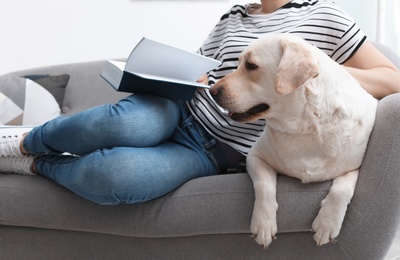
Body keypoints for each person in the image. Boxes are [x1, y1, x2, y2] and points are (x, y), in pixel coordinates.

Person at [1, 0, 399, 205]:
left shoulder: (326, 16)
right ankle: (21, 142)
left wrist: (315, 66)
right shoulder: (234, 15)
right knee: (121, 126)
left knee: (116, 178)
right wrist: (191, 74)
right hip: (178, 108)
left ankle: (37, 164)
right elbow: (204, 68)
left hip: (216, 151)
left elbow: (391, 80)